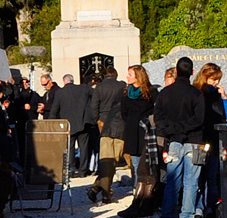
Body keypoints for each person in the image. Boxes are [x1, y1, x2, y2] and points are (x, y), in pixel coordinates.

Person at [154, 57, 205, 218]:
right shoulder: (197, 94)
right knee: (192, 182)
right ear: (192, 72)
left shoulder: (165, 93)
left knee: (172, 182)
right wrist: (183, 128)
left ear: (175, 71)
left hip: (173, 141)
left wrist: (172, 129)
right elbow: (199, 119)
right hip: (194, 141)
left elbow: (158, 118)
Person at [193, 63, 227, 218]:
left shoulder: (217, 94)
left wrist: (224, 98)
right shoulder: (197, 92)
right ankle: (200, 208)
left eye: (218, 80)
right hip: (202, 138)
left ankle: (211, 207)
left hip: (215, 138)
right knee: (200, 176)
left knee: (213, 175)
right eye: (213, 79)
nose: (216, 83)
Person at [87, 67, 126, 204]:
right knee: (112, 161)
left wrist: (97, 119)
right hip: (120, 123)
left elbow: (94, 106)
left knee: (106, 161)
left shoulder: (99, 87)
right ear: (116, 74)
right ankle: (103, 192)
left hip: (104, 122)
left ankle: (98, 189)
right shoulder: (122, 86)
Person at [121, 65, 158, 186]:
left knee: (147, 163)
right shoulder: (127, 93)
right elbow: (124, 113)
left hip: (146, 132)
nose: (127, 76)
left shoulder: (151, 92)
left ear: (138, 77)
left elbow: (156, 110)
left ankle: (148, 188)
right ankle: (136, 188)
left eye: (130, 74)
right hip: (132, 132)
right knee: (135, 163)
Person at [50, 74, 93, 177]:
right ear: (73, 81)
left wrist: (52, 124)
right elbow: (95, 95)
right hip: (83, 122)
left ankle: (72, 169)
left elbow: (54, 110)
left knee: (70, 147)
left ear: (64, 82)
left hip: (68, 124)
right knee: (84, 148)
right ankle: (83, 170)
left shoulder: (60, 93)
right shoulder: (84, 89)